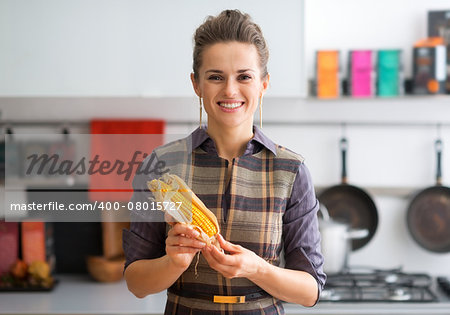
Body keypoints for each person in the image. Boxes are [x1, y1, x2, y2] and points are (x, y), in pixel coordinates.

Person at [122, 9, 326, 314]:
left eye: (244, 77)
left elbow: (310, 290)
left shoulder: (291, 171)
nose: (230, 90)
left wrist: (257, 269)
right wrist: (174, 261)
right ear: (196, 84)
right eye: (215, 77)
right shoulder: (160, 167)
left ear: (263, 84)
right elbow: (136, 283)